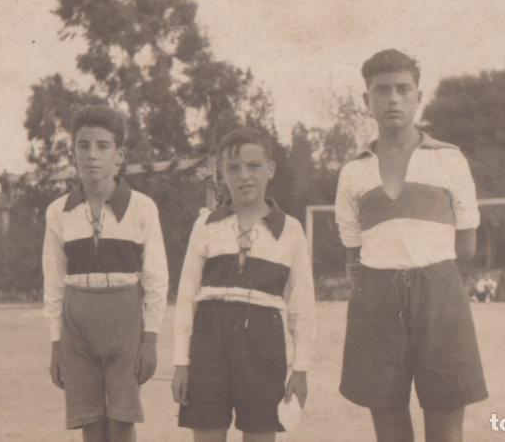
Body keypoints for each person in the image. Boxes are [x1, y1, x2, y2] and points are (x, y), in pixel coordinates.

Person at [335, 49, 488, 442]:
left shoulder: (449, 160)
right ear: (366, 99)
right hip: (376, 299)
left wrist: (428, 279)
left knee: (445, 423)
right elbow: (354, 252)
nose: (393, 99)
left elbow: (466, 245)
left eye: (403, 89)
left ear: (419, 96)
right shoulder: (354, 171)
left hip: (439, 293)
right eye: (381, 90)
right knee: (387, 421)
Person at [172, 127, 316, 442]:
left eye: (253, 166)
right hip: (209, 341)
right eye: (233, 167)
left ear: (271, 169)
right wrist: (181, 362)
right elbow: (186, 297)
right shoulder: (206, 225)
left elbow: (302, 307)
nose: (244, 176)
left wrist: (301, 368)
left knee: (260, 433)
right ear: (221, 173)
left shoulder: (290, 230)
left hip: (263, 343)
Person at [42, 105, 168, 442]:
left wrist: (151, 339)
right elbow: (53, 282)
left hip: (124, 319)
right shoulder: (58, 212)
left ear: (119, 155)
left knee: (123, 418)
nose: (92, 155)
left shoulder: (142, 208)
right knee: (90, 420)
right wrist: (56, 343)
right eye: (83, 145)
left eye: (102, 146)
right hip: (77, 323)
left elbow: (156, 278)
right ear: (74, 152)